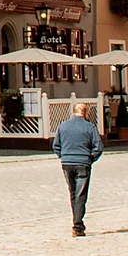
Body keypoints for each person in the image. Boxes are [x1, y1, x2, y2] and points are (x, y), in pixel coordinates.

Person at [51, 99, 104, 238]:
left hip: (67, 163)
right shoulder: (90, 127)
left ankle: (76, 221)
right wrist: (90, 158)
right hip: (83, 163)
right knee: (81, 194)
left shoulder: (63, 126)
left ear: (74, 112)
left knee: (73, 193)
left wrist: (63, 156)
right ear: (85, 113)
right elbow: (98, 147)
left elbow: (56, 145)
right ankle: (78, 225)